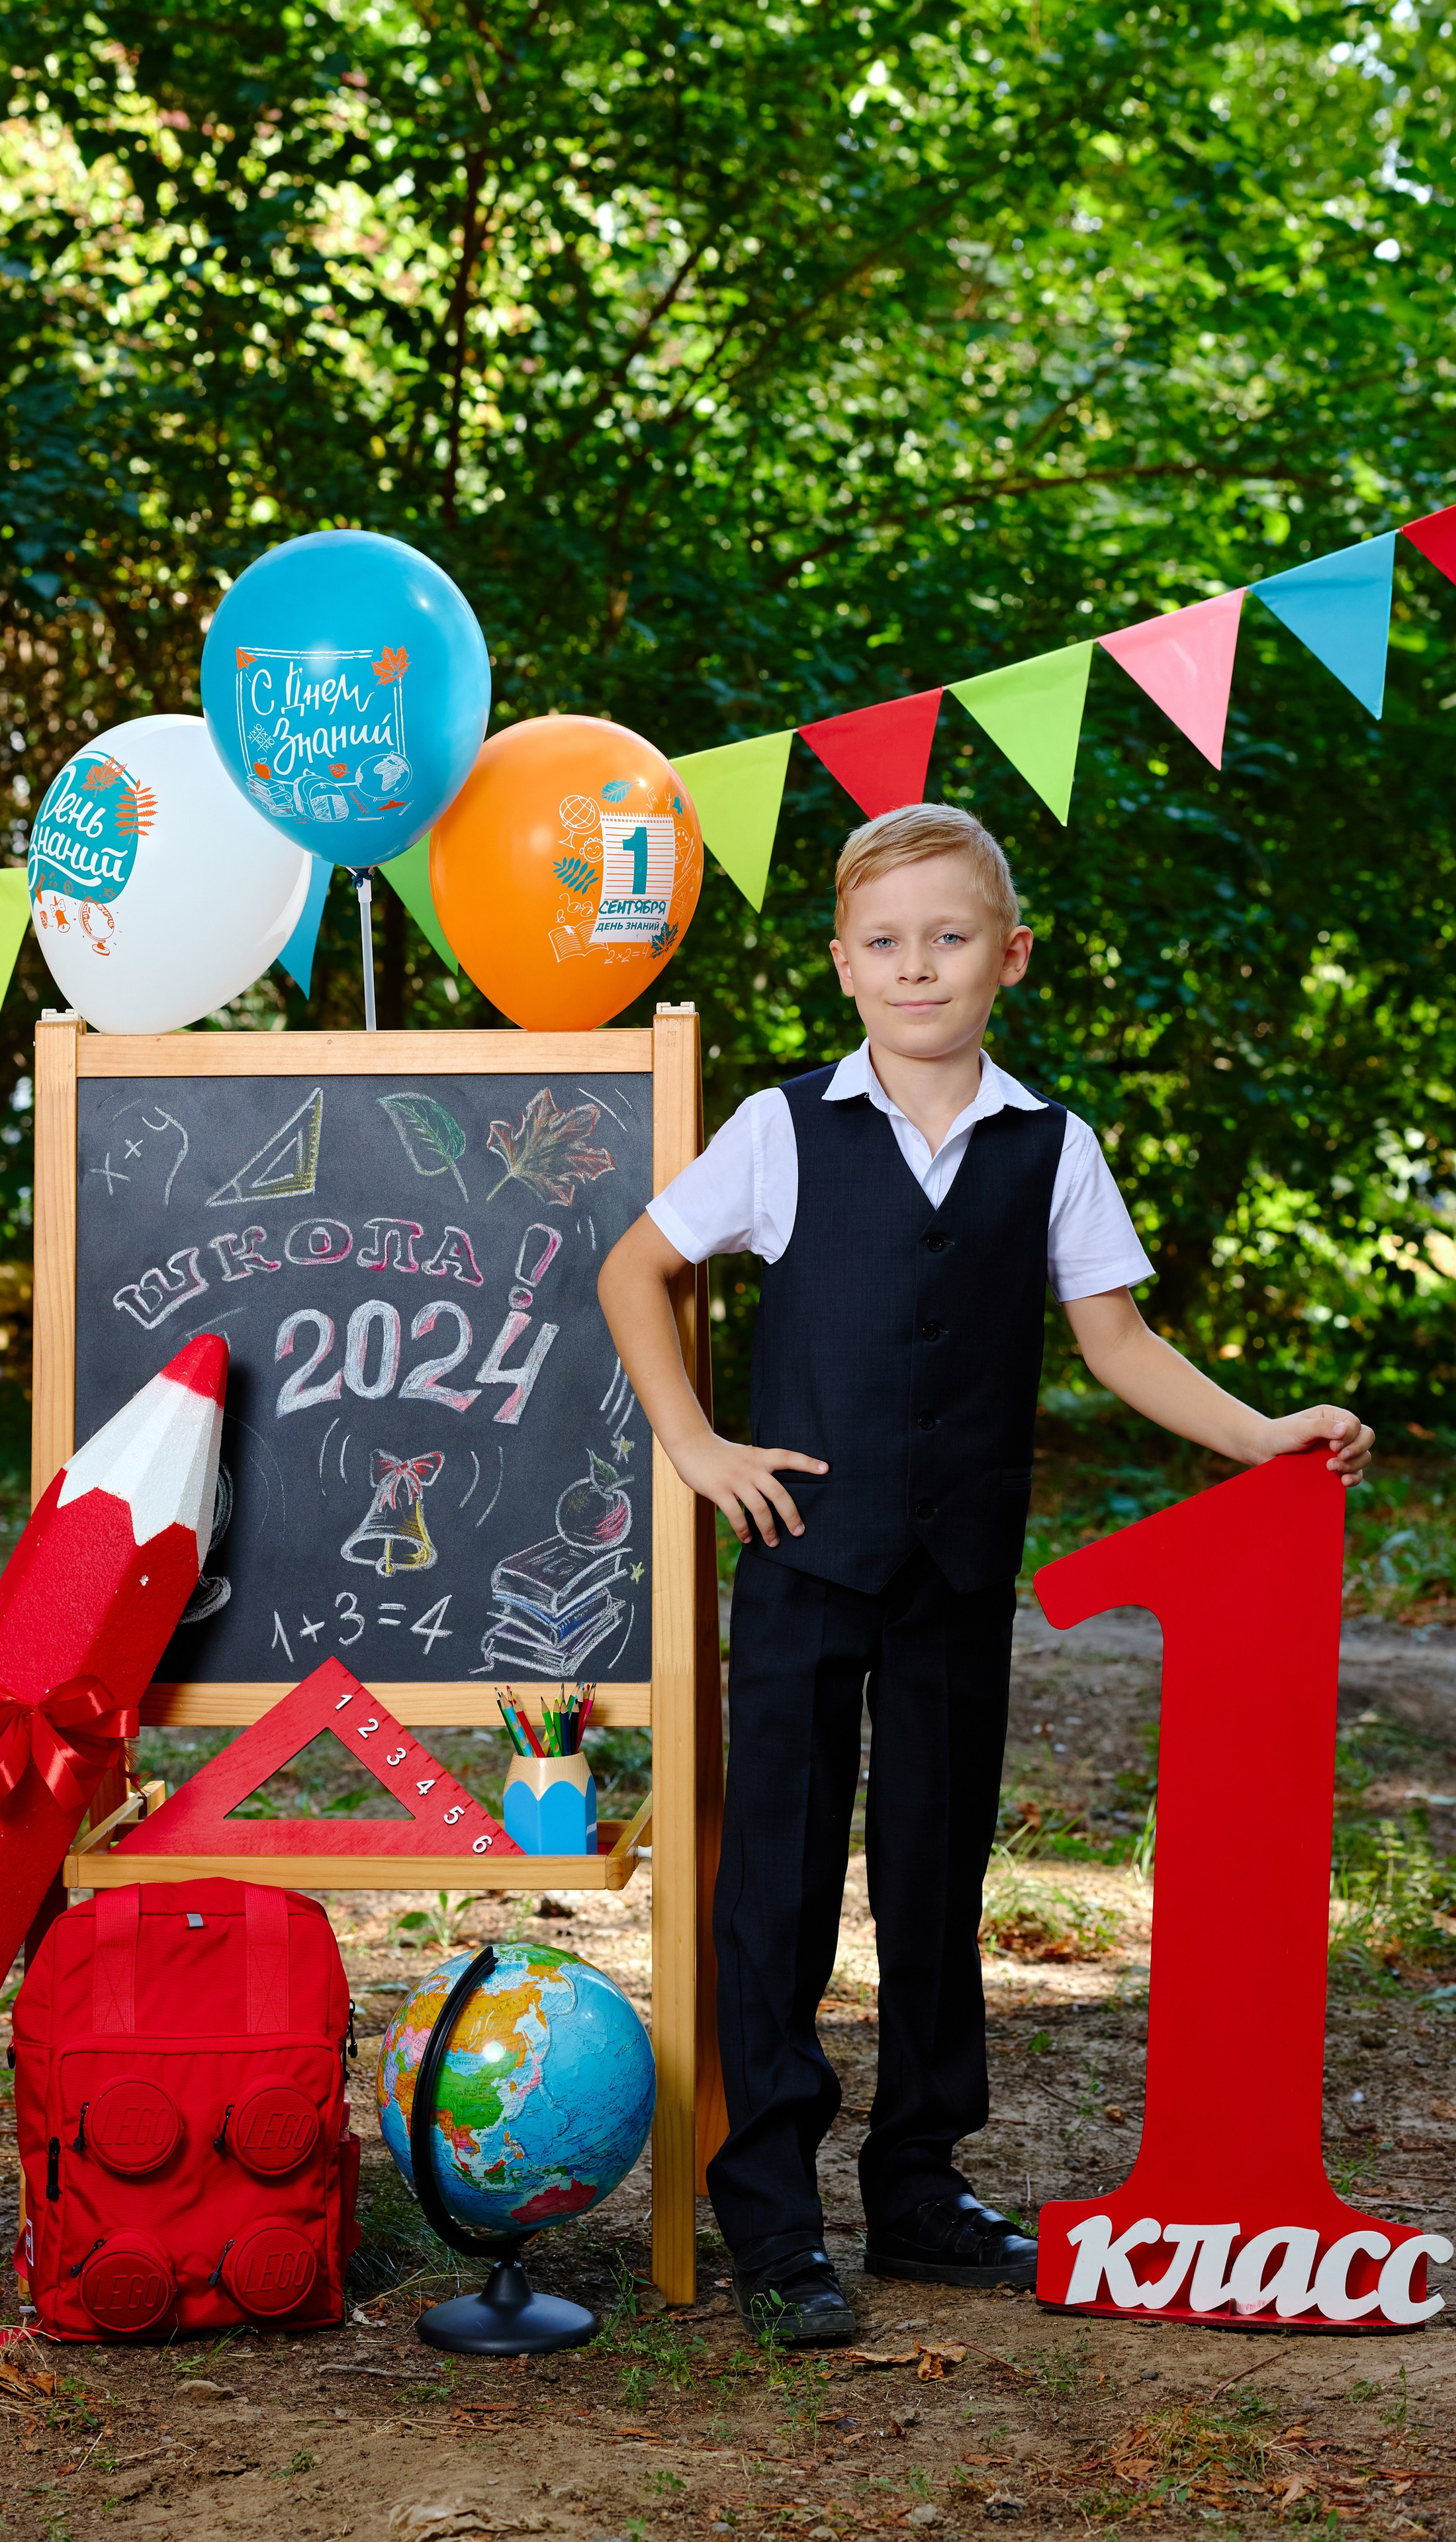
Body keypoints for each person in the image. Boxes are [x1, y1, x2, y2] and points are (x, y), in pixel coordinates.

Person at [597, 802, 1373, 2346]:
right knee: (781, 1883)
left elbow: (1121, 1343)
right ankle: (770, 2211)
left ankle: (916, 2185)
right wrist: (695, 1446)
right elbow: (635, 1269)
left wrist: (1261, 1435)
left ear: (1005, 957)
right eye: (884, 943)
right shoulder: (781, 1129)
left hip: (956, 1570)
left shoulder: (1050, 1145)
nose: (917, 966)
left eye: (948, 938)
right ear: (840, 963)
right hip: (803, 1563)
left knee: (936, 1877)